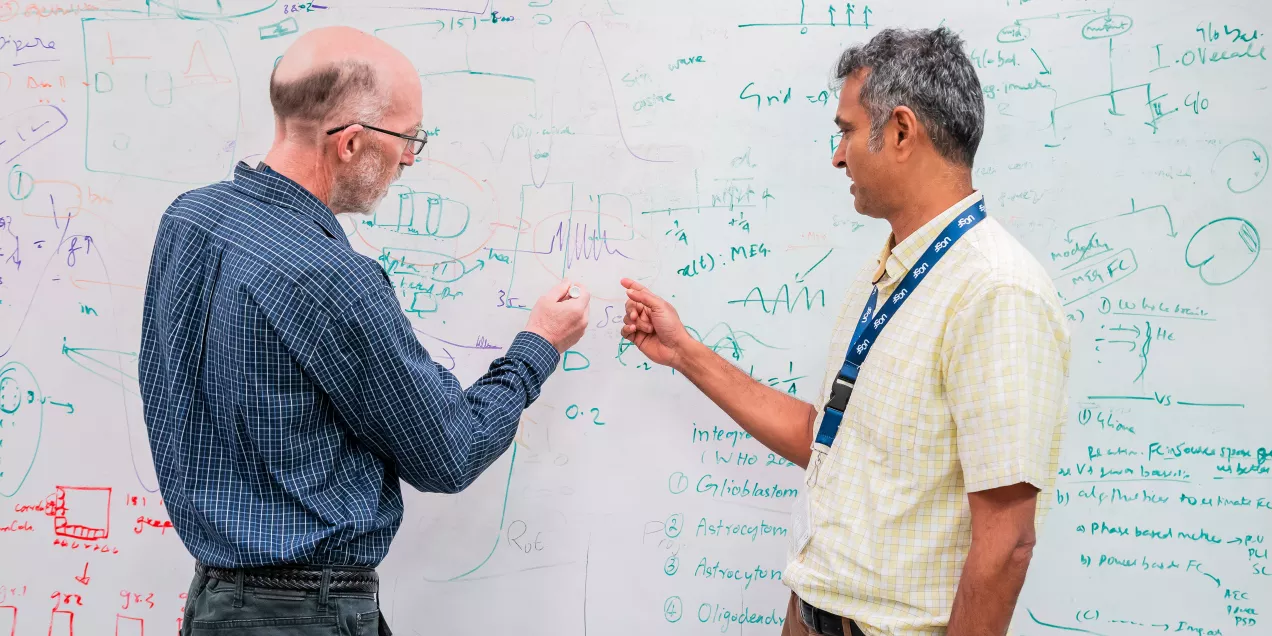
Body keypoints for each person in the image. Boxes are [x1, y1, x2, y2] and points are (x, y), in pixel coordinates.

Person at [138, 26, 590, 635]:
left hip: (214, 606)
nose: (409, 157)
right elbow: (449, 454)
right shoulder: (330, 279)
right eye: (408, 139)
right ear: (349, 144)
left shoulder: (189, 219)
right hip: (305, 618)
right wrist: (539, 344)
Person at [621, 27, 1070, 636]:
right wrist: (684, 353)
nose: (837, 155)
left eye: (848, 131)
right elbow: (829, 439)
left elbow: (1007, 543)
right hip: (811, 616)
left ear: (902, 132)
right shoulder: (887, 269)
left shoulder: (995, 290)